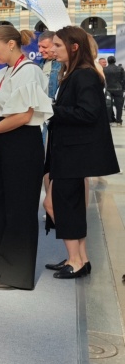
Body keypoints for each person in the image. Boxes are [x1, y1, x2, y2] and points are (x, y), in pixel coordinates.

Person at [0, 26, 49, 290]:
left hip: (22, 144)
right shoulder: (3, 73)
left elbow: (24, 116)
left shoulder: (30, 71)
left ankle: (17, 275)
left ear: (12, 44)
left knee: (20, 209)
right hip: (0, 142)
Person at [44, 26, 120, 279]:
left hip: (74, 154)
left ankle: (76, 261)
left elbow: (89, 113)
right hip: (69, 152)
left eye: (58, 45)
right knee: (68, 206)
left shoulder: (84, 75)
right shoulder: (74, 73)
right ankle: (79, 258)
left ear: (74, 47)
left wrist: (51, 110)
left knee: (64, 206)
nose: (53, 49)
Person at [36, 31, 61, 99]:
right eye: (39, 46)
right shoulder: (41, 63)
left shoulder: (63, 65)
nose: (40, 50)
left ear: (55, 46)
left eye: (44, 47)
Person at [104, 55, 125, 126]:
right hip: (118, 89)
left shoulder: (105, 69)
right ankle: (118, 120)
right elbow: (123, 79)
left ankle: (109, 120)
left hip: (108, 89)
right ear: (115, 61)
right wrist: (123, 88)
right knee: (119, 106)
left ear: (108, 61)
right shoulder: (120, 69)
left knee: (108, 106)